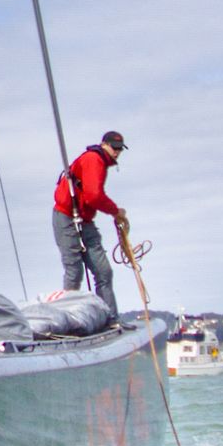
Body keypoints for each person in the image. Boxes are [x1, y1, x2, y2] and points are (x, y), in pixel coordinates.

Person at [52, 131, 127, 313]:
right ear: (104, 145)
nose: (117, 152)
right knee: (74, 270)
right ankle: (68, 317)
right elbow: (94, 195)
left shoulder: (100, 162)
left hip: (84, 220)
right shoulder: (94, 160)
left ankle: (110, 317)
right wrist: (115, 211)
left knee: (104, 272)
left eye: (120, 149)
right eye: (114, 148)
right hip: (66, 217)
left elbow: (91, 195)